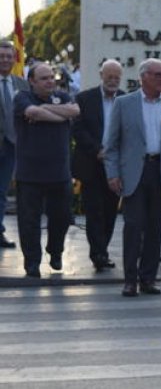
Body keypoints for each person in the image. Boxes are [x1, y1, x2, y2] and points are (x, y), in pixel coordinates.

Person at [104, 58, 161, 296]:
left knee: (155, 228)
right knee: (133, 226)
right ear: (144, 77)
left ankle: (148, 278)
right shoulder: (124, 103)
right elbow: (111, 144)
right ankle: (130, 279)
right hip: (133, 174)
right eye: (160, 75)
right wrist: (112, 174)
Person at [13, 63, 79, 278]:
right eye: (44, 78)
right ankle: (32, 262)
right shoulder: (22, 97)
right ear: (32, 81)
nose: (50, 81)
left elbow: (75, 110)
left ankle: (55, 251)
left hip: (59, 172)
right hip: (30, 172)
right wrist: (60, 115)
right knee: (29, 221)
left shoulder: (62, 95)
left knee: (61, 217)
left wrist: (46, 111)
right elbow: (32, 111)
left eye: (52, 77)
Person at [72, 59, 124, 270]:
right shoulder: (84, 98)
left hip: (116, 166)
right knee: (94, 211)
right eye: (109, 76)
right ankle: (98, 254)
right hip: (91, 164)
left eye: (116, 77)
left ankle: (103, 249)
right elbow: (78, 129)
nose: (113, 81)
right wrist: (97, 150)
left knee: (111, 211)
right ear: (101, 75)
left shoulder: (126, 99)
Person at [0, 40, 29, 249]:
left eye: (9, 56)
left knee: (1, 191)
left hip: (12, 146)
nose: (5, 60)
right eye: (1, 56)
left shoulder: (21, 84)